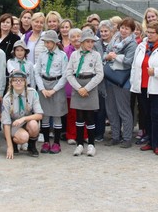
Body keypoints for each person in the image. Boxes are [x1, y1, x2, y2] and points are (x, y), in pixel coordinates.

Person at [130, 21, 158, 156]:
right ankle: (150, 141)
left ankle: (157, 144)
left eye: (152, 33)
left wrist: (156, 72)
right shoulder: (141, 46)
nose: (149, 35)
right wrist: (133, 82)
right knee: (146, 115)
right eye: (148, 32)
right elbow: (135, 66)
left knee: (157, 116)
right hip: (142, 86)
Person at [66, 29, 105, 157]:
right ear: (82, 42)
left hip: (90, 86)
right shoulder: (74, 55)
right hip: (78, 85)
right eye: (87, 41)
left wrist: (87, 88)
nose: (90, 44)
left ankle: (91, 144)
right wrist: (78, 88)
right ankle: (79, 144)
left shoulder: (96, 55)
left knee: (90, 117)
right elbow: (69, 73)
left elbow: (99, 74)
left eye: (92, 42)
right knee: (79, 116)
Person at [102, 18, 137, 148]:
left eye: (127, 28)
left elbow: (128, 62)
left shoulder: (132, 44)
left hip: (123, 81)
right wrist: (108, 56)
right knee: (111, 110)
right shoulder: (115, 39)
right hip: (110, 78)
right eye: (122, 27)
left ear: (132, 31)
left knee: (124, 110)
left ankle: (127, 138)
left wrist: (115, 57)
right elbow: (105, 55)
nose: (124, 30)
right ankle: (115, 136)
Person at [34, 30, 68, 154]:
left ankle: (57, 143)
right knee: (45, 115)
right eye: (45, 42)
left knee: (57, 114)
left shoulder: (62, 55)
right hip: (44, 84)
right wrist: (42, 89)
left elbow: (65, 75)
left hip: (56, 85)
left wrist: (54, 90)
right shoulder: (42, 55)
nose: (46, 44)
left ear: (55, 43)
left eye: (48, 42)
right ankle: (46, 142)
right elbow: (37, 73)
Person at [2, 70, 44, 159]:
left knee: (34, 124)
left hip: (26, 121)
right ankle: (13, 143)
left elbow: (39, 115)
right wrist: (9, 147)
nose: (18, 82)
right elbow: (6, 123)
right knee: (23, 137)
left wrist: (24, 119)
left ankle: (31, 146)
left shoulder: (32, 93)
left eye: (21, 80)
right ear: (11, 83)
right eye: (15, 80)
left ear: (25, 82)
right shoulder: (7, 98)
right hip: (13, 124)